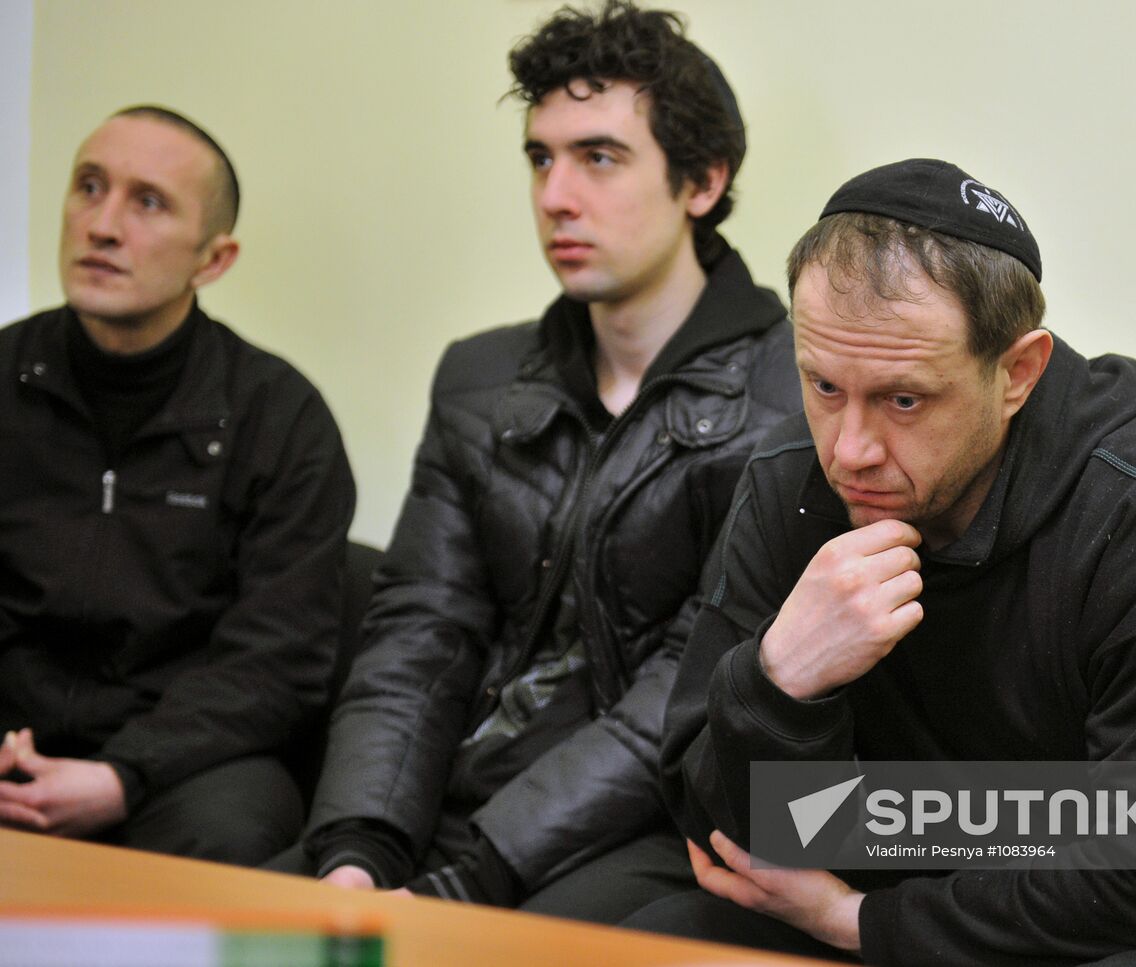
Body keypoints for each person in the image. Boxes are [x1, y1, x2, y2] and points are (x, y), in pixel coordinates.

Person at [638, 159, 1136, 963]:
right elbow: (723, 822)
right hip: (937, 868)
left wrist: (860, 920)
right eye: (824, 385)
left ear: (1017, 372)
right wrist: (779, 685)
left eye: (904, 399)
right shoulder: (791, 483)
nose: (850, 450)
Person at [286, 0, 800, 923]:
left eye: (599, 157)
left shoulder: (793, 399)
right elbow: (418, 631)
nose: (556, 194)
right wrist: (361, 846)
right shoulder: (481, 377)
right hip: (455, 800)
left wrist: (475, 876)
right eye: (540, 157)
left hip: (651, 823)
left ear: (703, 181)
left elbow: (692, 683)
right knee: (250, 923)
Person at [0, 106, 355, 865]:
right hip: (9, 736)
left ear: (214, 259)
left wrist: (123, 773)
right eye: (88, 187)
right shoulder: (3, 378)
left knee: (235, 827)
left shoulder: (280, 418)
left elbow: (278, 659)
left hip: (182, 759)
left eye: (148, 202)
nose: (102, 224)